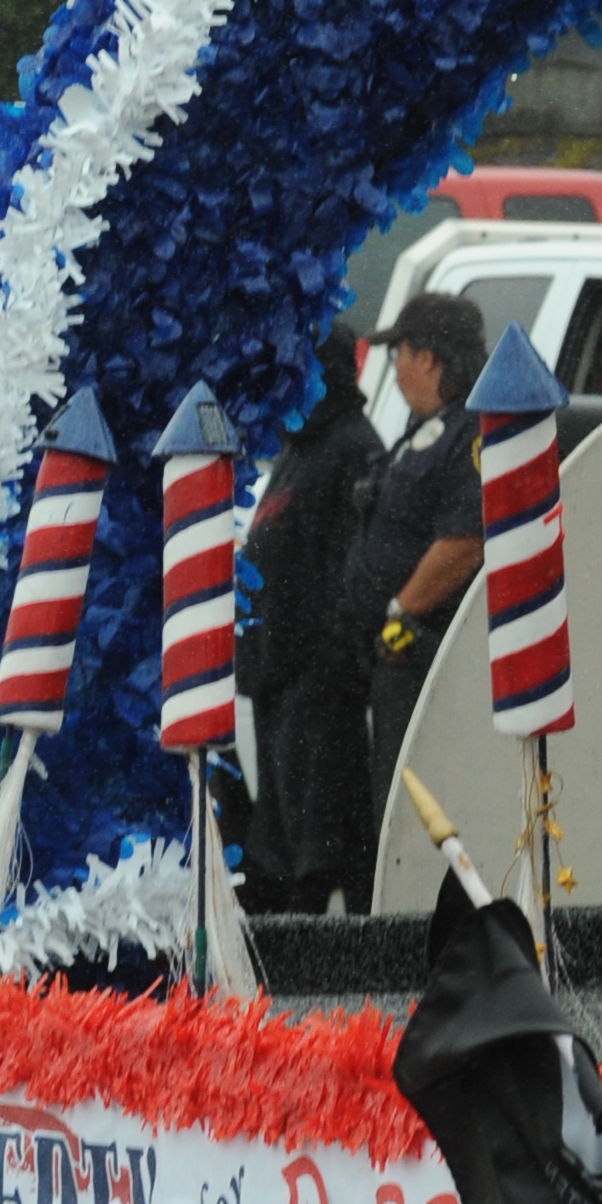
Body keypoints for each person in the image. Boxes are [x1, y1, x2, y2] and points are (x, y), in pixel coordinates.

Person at [237, 329, 382, 910]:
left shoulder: (353, 448)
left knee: (317, 844)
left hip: (316, 681)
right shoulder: (301, 445)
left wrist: (324, 662)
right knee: (279, 838)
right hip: (276, 674)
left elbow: (349, 572)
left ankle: (316, 958)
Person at [346, 291, 487, 849]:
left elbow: (464, 541)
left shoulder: (466, 434)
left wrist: (403, 609)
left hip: (423, 648)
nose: (396, 367)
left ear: (427, 358)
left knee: (414, 800)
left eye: (399, 353)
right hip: (389, 654)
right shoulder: (422, 429)